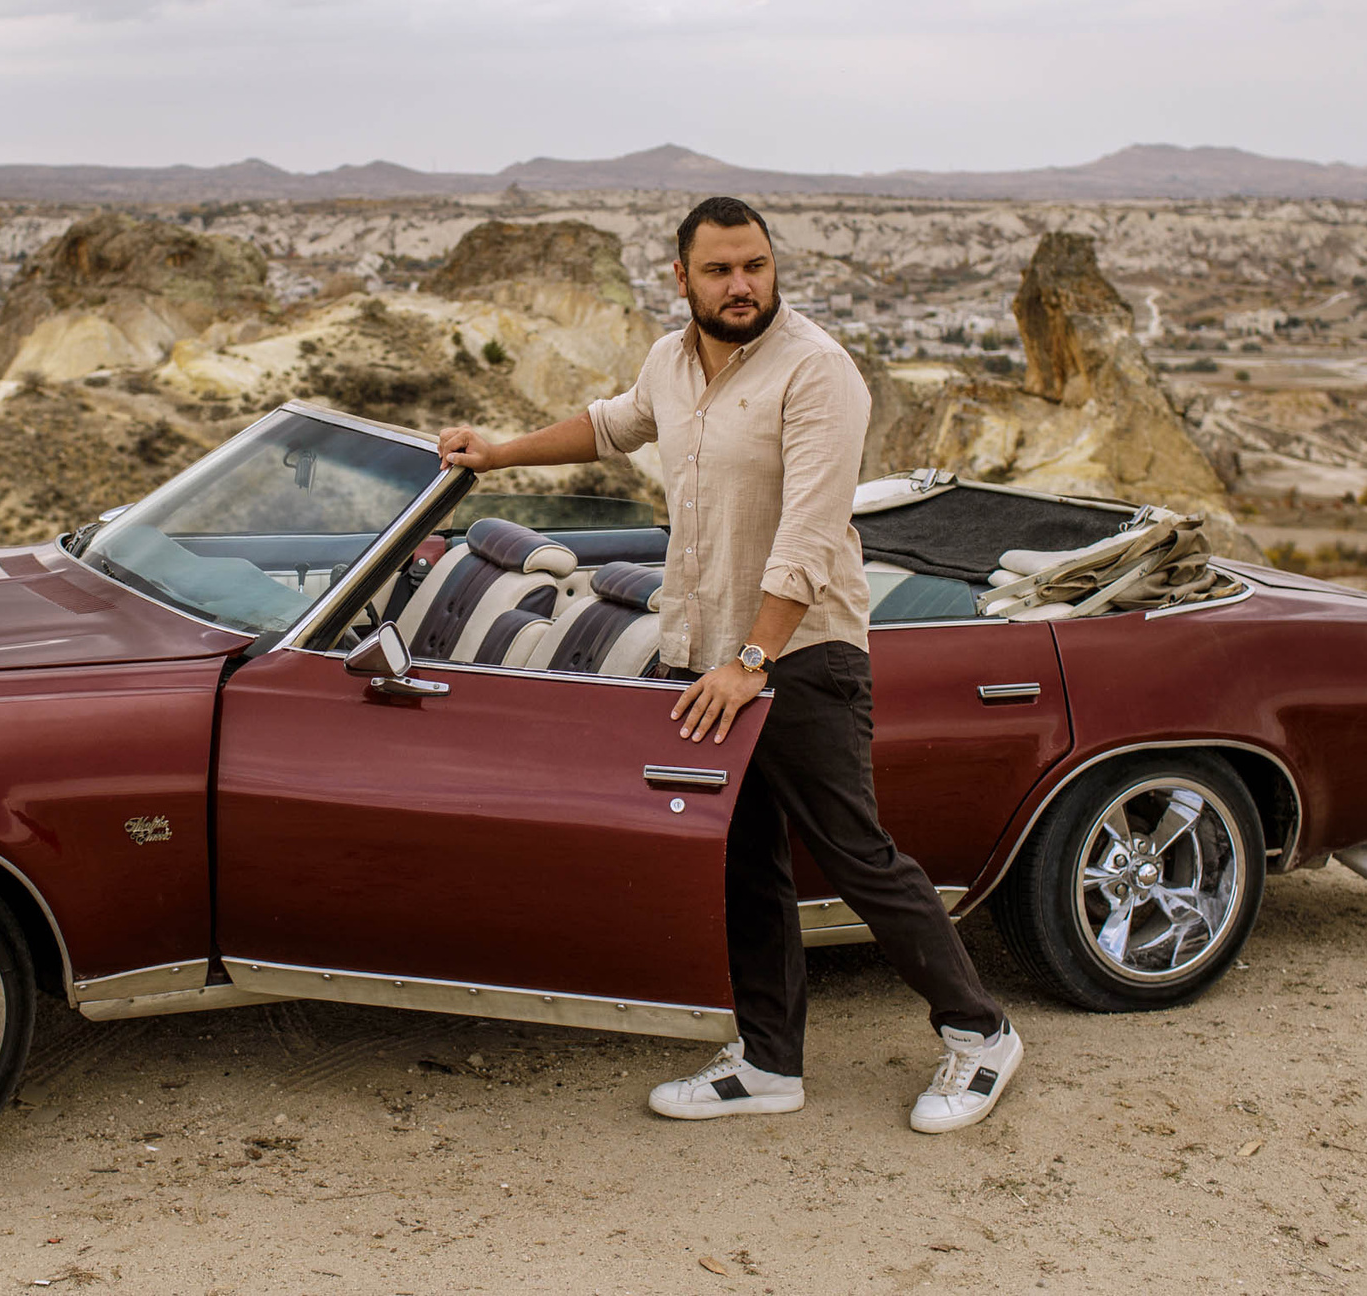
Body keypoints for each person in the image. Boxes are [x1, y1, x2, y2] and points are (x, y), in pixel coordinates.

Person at [436, 196, 1021, 1133]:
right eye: (719, 270)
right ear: (683, 278)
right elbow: (611, 424)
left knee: (857, 857)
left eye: (754, 265)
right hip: (701, 659)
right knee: (743, 862)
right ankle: (768, 1061)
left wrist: (754, 658)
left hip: (800, 656)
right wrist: (497, 454)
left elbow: (812, 531)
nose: (741, 284)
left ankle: (979, 1030)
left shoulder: (818, 371)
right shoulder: (671, 361)